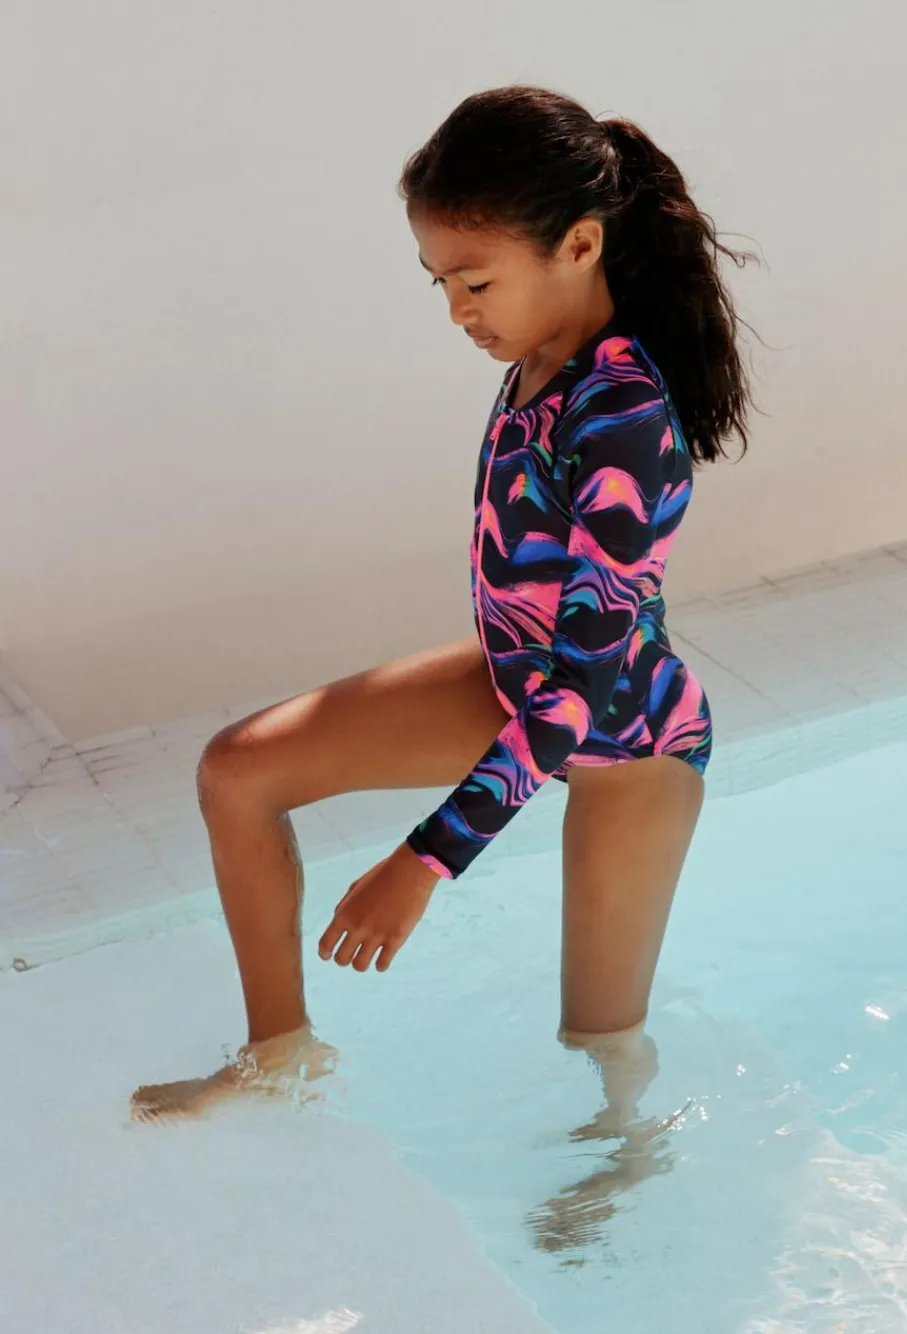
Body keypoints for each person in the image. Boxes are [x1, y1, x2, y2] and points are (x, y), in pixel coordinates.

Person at [131, 84, 757, 1125]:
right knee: (238, 770)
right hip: (515, 687)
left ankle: (622, 1164)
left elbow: (581, 687)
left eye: (475, 281)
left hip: (628, 738)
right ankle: (279, 1057)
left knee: (599, 1045)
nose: (459, 311)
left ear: (580, 245)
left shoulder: (624, 418)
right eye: (442, 284)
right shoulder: (542, 356)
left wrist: (425, 860)